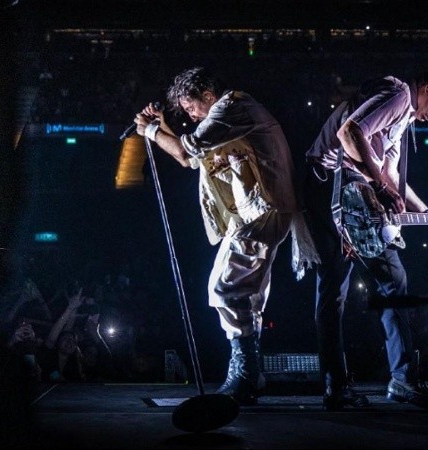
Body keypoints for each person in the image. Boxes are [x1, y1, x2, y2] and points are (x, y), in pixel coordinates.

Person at [131, 67, 318, 405]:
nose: (191, 116)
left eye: (191, 108)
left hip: (262, 211)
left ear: (207, 95)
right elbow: (191, 157)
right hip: (257, 213)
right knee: (245, 295)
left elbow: (187, 152)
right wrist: (161, 128)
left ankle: (245, 373)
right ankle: (250, 375)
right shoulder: (227, 114)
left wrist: (154, 130)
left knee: (225, 289)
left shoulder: (233, 109)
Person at [303, 60, 428, 410]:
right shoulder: (397, 94)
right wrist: (378, 184)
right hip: (338, 185)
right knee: (392, 280)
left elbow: (391, 181)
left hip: (327, 188)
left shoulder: (404, 117)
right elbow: (349, 134)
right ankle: (403, 380)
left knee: (334, 287)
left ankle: (336, 386)